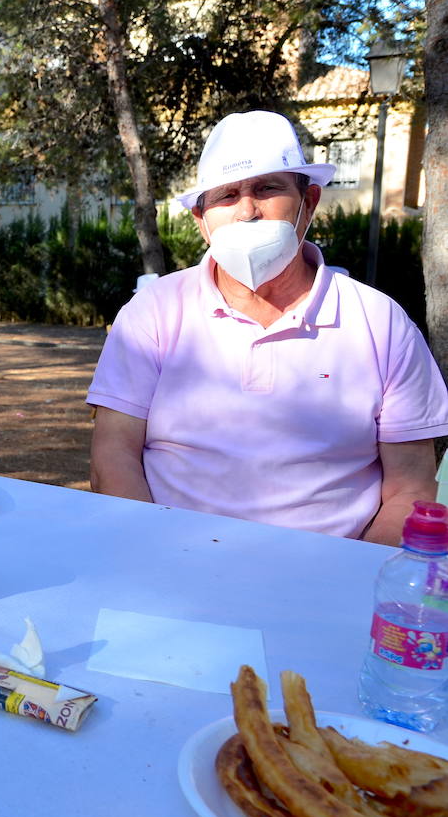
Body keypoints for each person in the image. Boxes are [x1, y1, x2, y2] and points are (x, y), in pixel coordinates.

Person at [87, 110, 448, 545]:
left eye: (267, 188)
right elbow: (112, 456)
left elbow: (410, 487)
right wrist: (159, 559)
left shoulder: (382, 324)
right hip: (175, 569)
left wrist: (353, 582)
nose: (247, 210)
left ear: (308, 201)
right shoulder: (153, 313)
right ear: (201, 220)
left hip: (326, 581)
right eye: (226, 195)